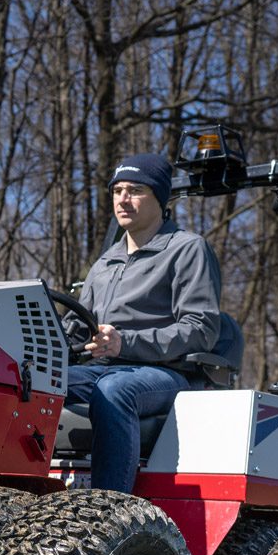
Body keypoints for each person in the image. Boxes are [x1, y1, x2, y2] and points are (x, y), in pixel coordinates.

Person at [66, 153, 222, 493]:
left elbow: (202, 329)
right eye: (117, 190)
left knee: (114, 390)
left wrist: (126, 342)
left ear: (160, 198)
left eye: (135, 190)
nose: (123, 199)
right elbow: (77, 326)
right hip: (102, 367)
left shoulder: (187, 249)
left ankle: (110, 506)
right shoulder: (106, 262)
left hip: (167, 373)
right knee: (35, 383)